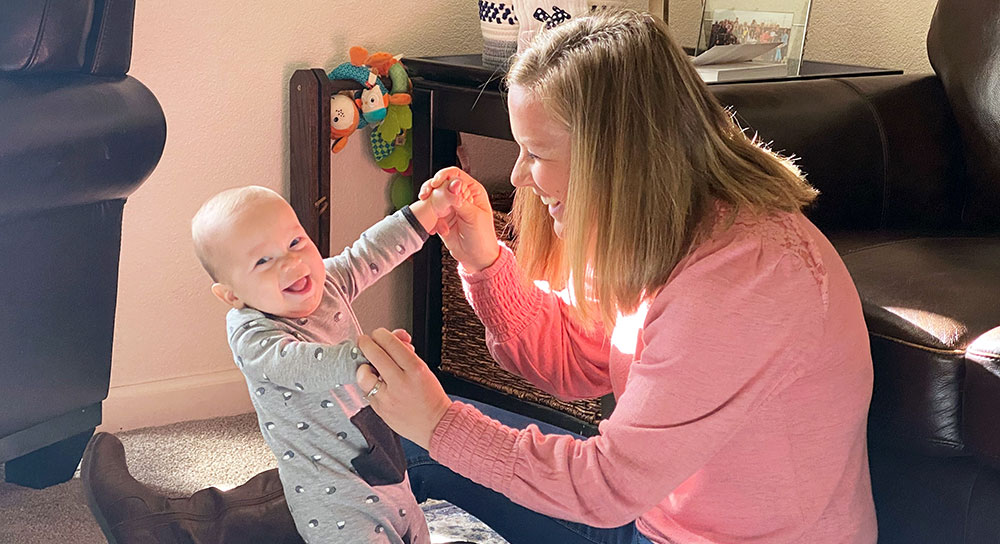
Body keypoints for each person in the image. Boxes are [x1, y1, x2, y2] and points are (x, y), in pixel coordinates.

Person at [80, 8, 877, 543]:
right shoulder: (668, 227)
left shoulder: (744, 284)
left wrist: (437, 422)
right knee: (405, 427)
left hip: (666, 528)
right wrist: (482, 258)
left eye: (539, 153)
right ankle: (202, 523)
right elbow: (574, 364)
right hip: (650, 513)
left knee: (429, 429)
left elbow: (603, 488)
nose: (520, 177)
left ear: (620, 156)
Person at [82, 184, 472, 544]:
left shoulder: (327, 284)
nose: (291, 262)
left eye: (296, 241)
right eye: (263, 260)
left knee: (415, 531)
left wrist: (428, 211)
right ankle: (160, 525)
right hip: (333, 500)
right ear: (231, 295)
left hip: (384, 465)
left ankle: (163, 528)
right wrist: (368, 355)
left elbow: (369, 252)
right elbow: (298, 365)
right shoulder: (252, 334)